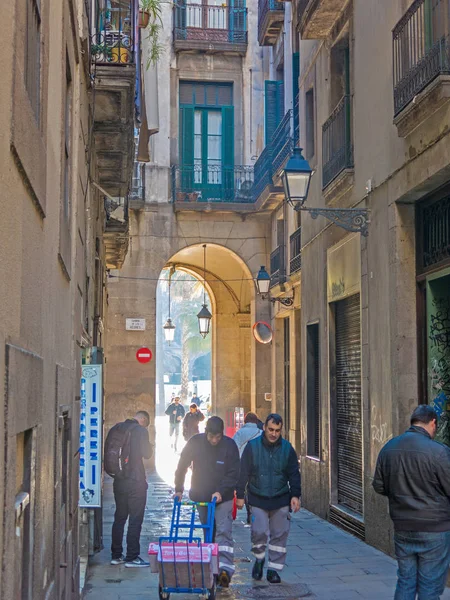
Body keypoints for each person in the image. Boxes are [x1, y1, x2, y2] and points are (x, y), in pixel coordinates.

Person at [373, 405, 450, 599]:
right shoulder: (439, 452)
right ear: (433, 423)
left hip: (403, 526)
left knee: (406, 581)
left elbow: (379, 486)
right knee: (430, 586)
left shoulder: (389, 448)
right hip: (435, 528)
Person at [174, 416, 240, 589]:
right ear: (206, 433)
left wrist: (221, 491)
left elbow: (234, 472)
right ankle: (211, 567)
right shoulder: (195, 442)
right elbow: (182, 465)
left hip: (222, 497)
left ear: (222, 434)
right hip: (202, 495)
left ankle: (224, 569)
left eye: (218, 437)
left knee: (224, 530)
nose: (214, 440)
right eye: (211, 436)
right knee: (208, 530)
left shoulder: (229, 446)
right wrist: (179, 489)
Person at [236, 413, 301, 584]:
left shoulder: (287, 449)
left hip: (280, 499)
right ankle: (259, 559)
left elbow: (294, 473)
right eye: (270, 429)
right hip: (257, 498)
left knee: (279, 535)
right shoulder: (252, 447)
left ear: (281, 431)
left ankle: (273, 569)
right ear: (264, 427)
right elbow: (243, 472)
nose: (273, 433)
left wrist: (295, 495)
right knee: (259, 532)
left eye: (277, 431)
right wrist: (240, 496)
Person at [110, 410, 153, 567]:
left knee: (120, 518)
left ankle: (116, 556)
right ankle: (132, 557)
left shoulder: (117, 428)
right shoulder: (141, 431)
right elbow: (147, 454)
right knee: (135, 519)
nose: (145, 426)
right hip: (136, 481)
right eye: (146, 424)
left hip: (119, 480)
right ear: (142, 419)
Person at [233, 412, 262, 524]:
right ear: (256, 422)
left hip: (242, 464)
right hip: (258, 465)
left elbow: (234, 449)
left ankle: (249, 510)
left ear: (245, 422)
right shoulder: (261, 433)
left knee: (245, 488)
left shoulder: (239, 433)